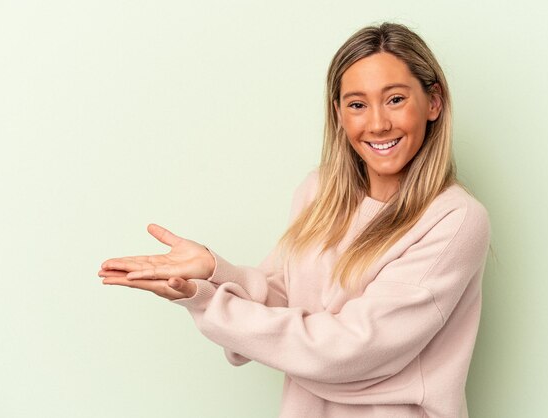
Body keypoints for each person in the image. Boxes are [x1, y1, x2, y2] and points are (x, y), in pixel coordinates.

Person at [98, 22, 491, 418]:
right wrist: (211, 273)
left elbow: (348, 352)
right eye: (357, 104)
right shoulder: (318, 193)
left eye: (395, 99)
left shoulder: (454, 220)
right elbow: (281, 298)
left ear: (434, 102)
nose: (377, 124)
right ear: (338, 113)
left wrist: (212, 307)